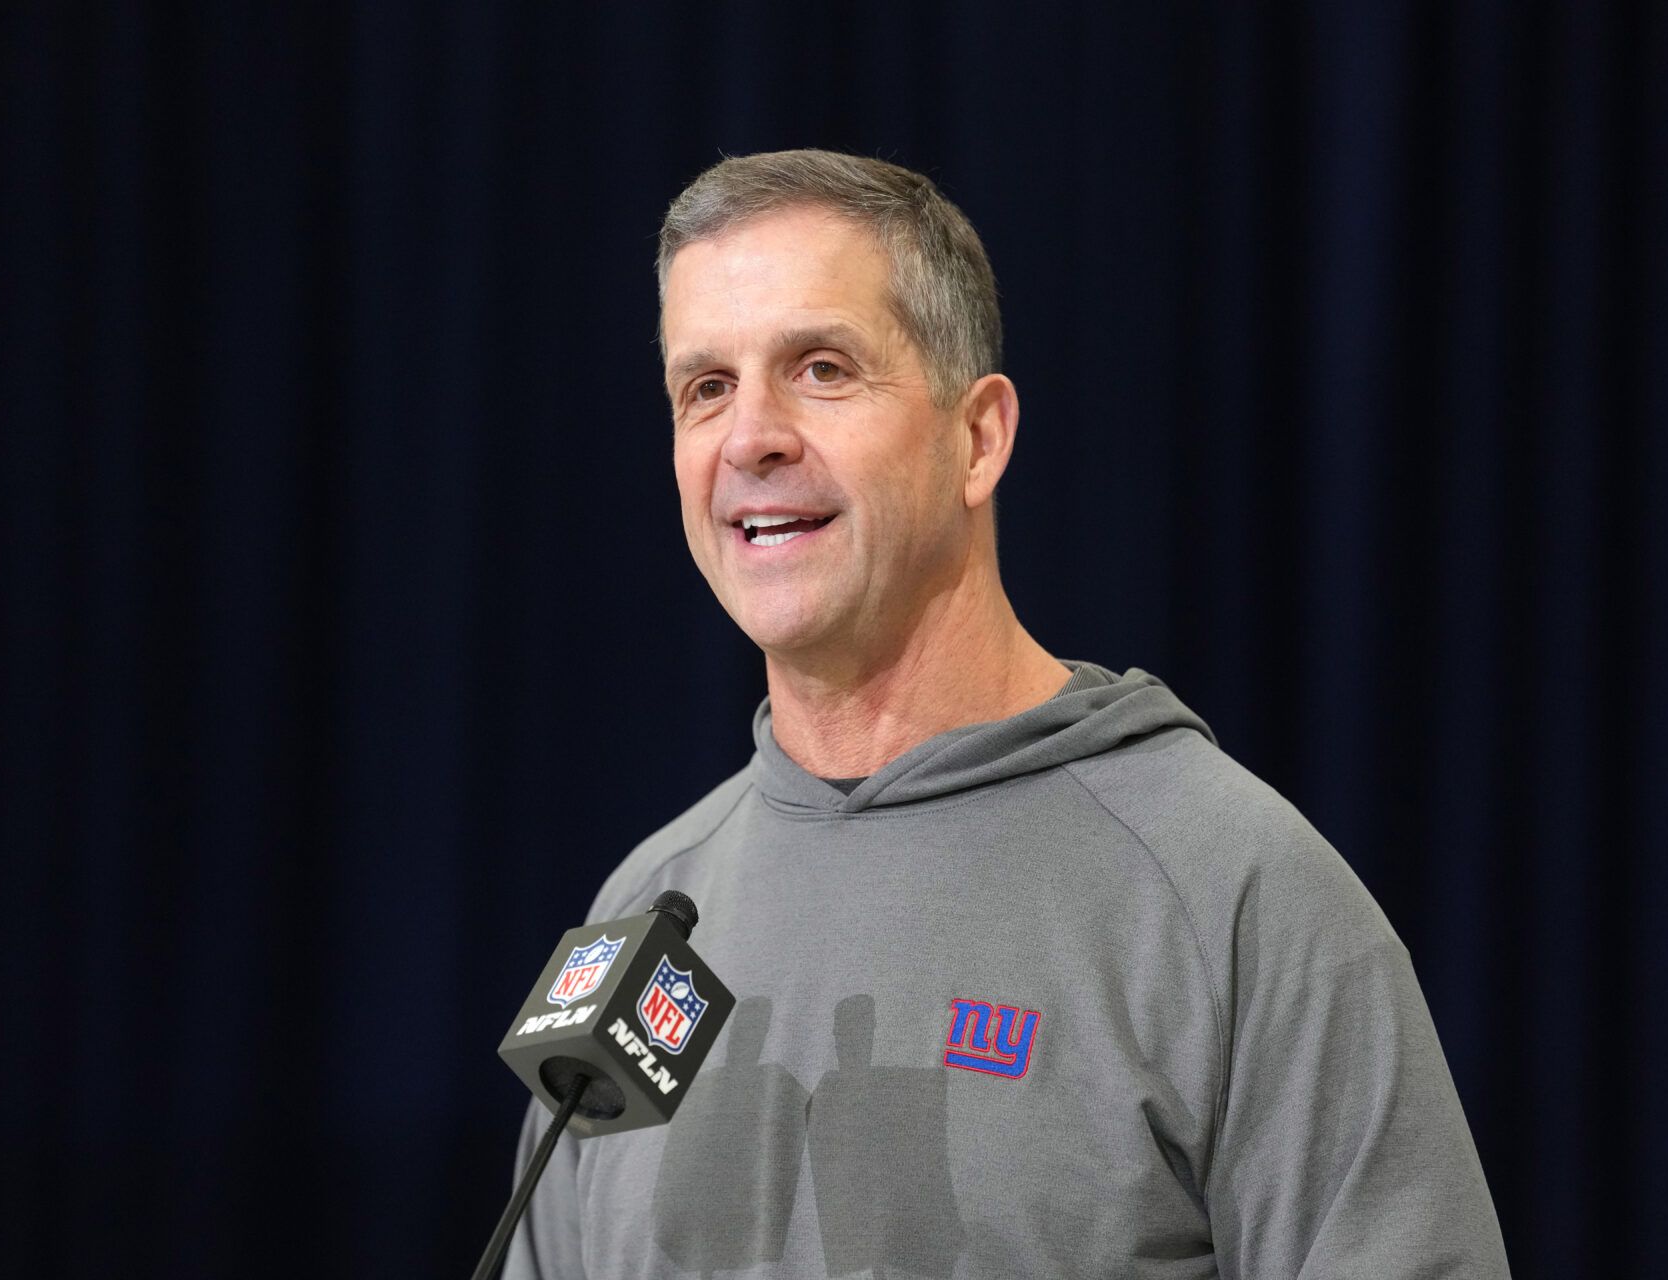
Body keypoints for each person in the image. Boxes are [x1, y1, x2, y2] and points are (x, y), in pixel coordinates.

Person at [504, 149, 1509, 1279]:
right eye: (706, 388)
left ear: (978, 437)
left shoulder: (1232, 893)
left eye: (822, 368)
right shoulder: (646, 912)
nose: (751, 439)